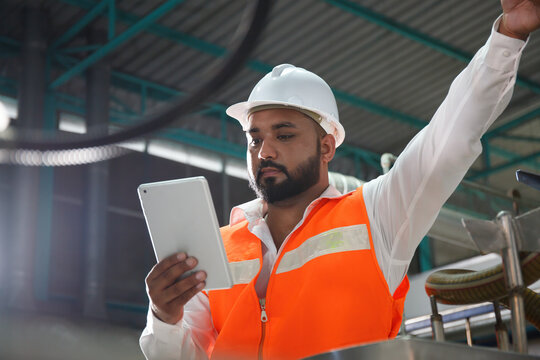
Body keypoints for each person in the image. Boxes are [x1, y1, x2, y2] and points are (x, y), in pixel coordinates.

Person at [140, 1, 540, 359]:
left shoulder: (377, 216)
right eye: (255, 138)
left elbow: (447, 141)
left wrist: (507, 36)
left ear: (327, 146)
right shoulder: (216, 247)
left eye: (284, 134)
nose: (265, 152)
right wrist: (164, 315)